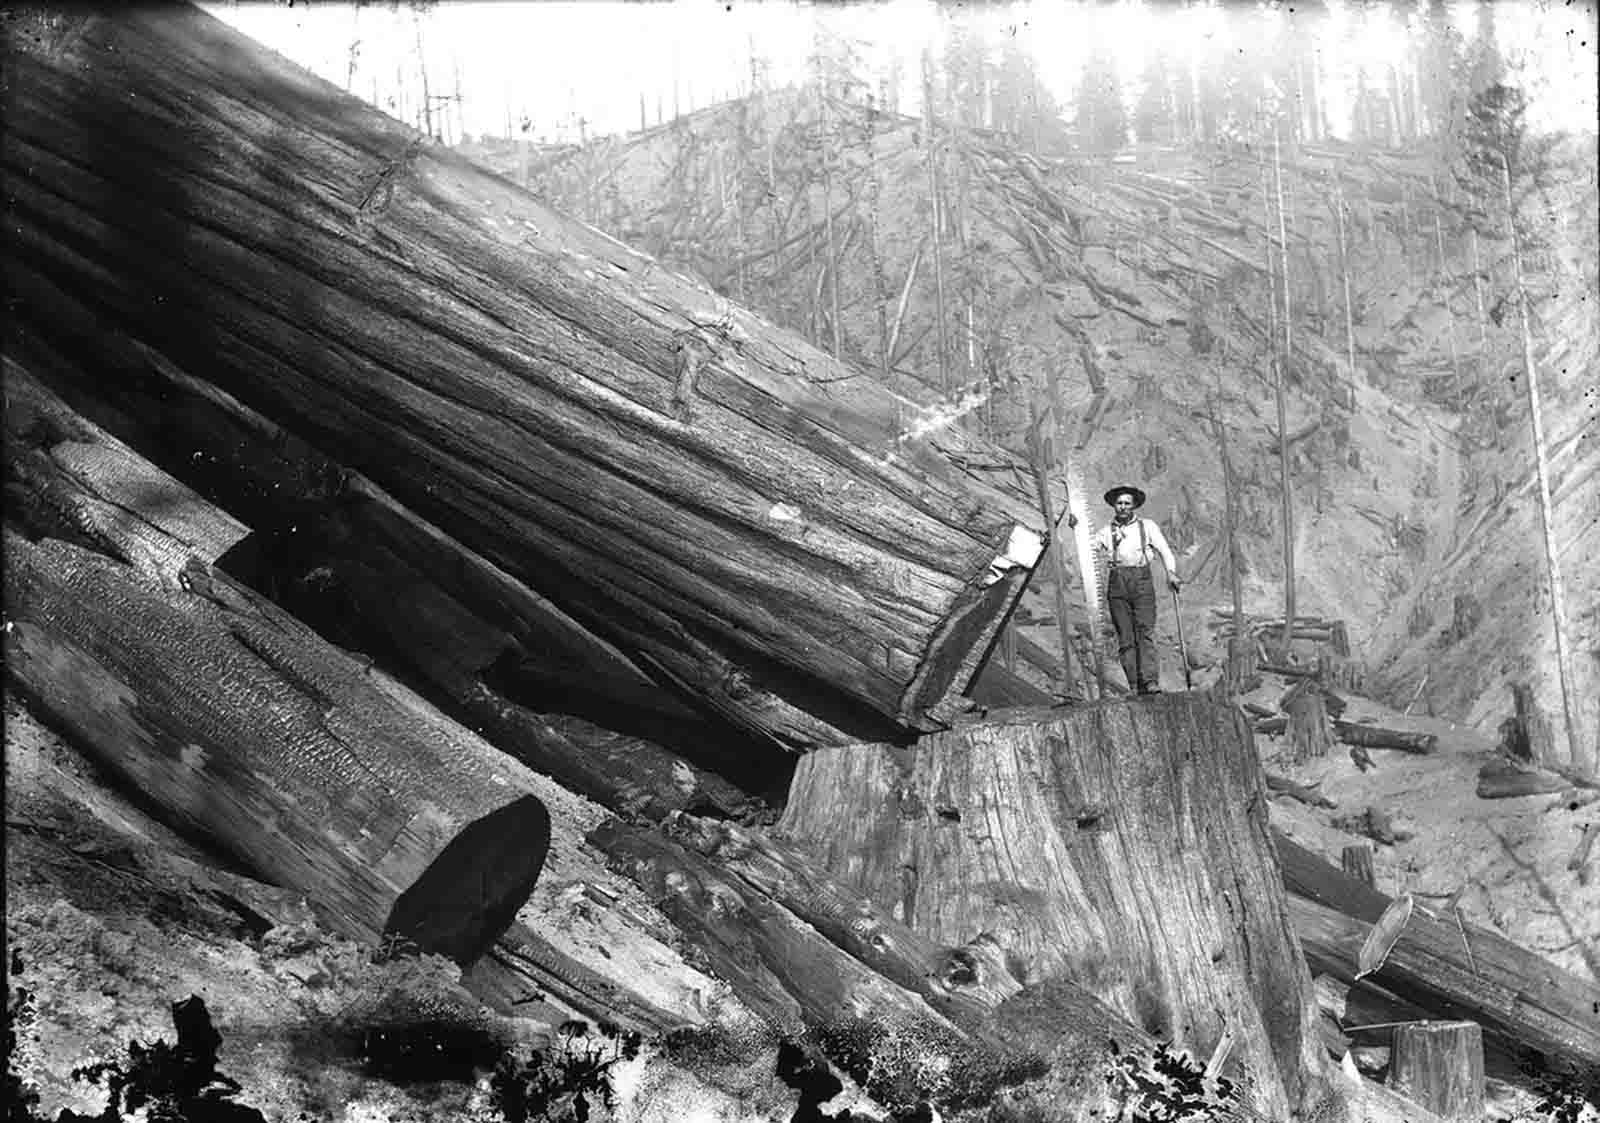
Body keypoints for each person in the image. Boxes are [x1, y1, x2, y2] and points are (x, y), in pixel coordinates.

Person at [1093, 485, 1181, 695]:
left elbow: (1164, 550)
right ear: (1114, 505)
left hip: (1141, 581)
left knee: (1145, 631)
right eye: (1119, 503)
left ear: (1134, 506)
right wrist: (1075, 526)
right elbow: (1089, 548)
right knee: (1125, 636)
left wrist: (1171, 572)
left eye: (1127, 503)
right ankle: (1134, 684)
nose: (1122, 507)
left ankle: (1150, 681)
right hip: (1117, 584)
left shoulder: (1147, 526)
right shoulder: (1106, 532)